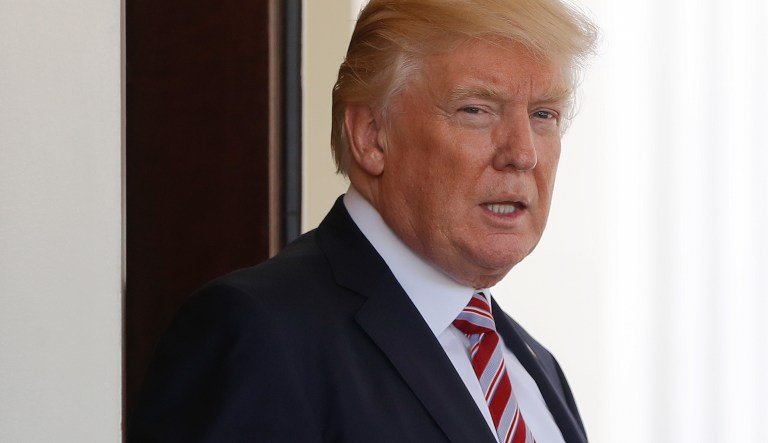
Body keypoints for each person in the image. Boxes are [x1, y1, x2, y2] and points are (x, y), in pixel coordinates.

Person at [129, 0, 597, 442]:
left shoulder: (534, 366)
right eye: (476, 110)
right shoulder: (258, 333)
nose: (522, 153)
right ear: (371, 136)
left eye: (543, 114)